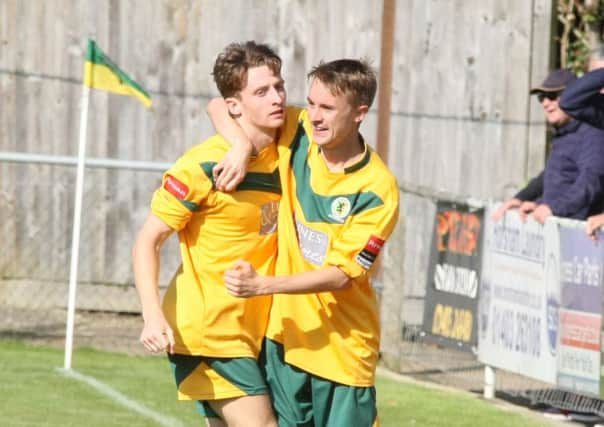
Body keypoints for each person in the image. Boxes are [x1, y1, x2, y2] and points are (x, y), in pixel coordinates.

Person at [208, 59, 400, 427]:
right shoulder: (298, 131)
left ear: (360, 114)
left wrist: (264, 285)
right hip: (285, 340)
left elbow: (341, 275)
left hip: (342, 352)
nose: (314, 116)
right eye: (311, 103)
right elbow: (220, 104)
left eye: (327, 108)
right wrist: (238, 144)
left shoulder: (377, 188)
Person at [132, 41, 301, 427]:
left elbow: (217, 104)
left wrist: (242, 143)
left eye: (279, 86)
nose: (276, 97)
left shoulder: (287, 145)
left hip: (255, 331)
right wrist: (152, 315)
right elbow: (148, 241)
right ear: (235, 105)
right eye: (261, 91)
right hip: (210, 330)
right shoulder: (203, 164)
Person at [494, 69, 604, 224]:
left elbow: (591, 181)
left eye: (552, 96)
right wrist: (525, 198)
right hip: (555, 230)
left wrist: (554, 208)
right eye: (542, 97)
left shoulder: (593, 131)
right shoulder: (564, 133)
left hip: (578, 236)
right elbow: (555, 177)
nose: (546, 103)